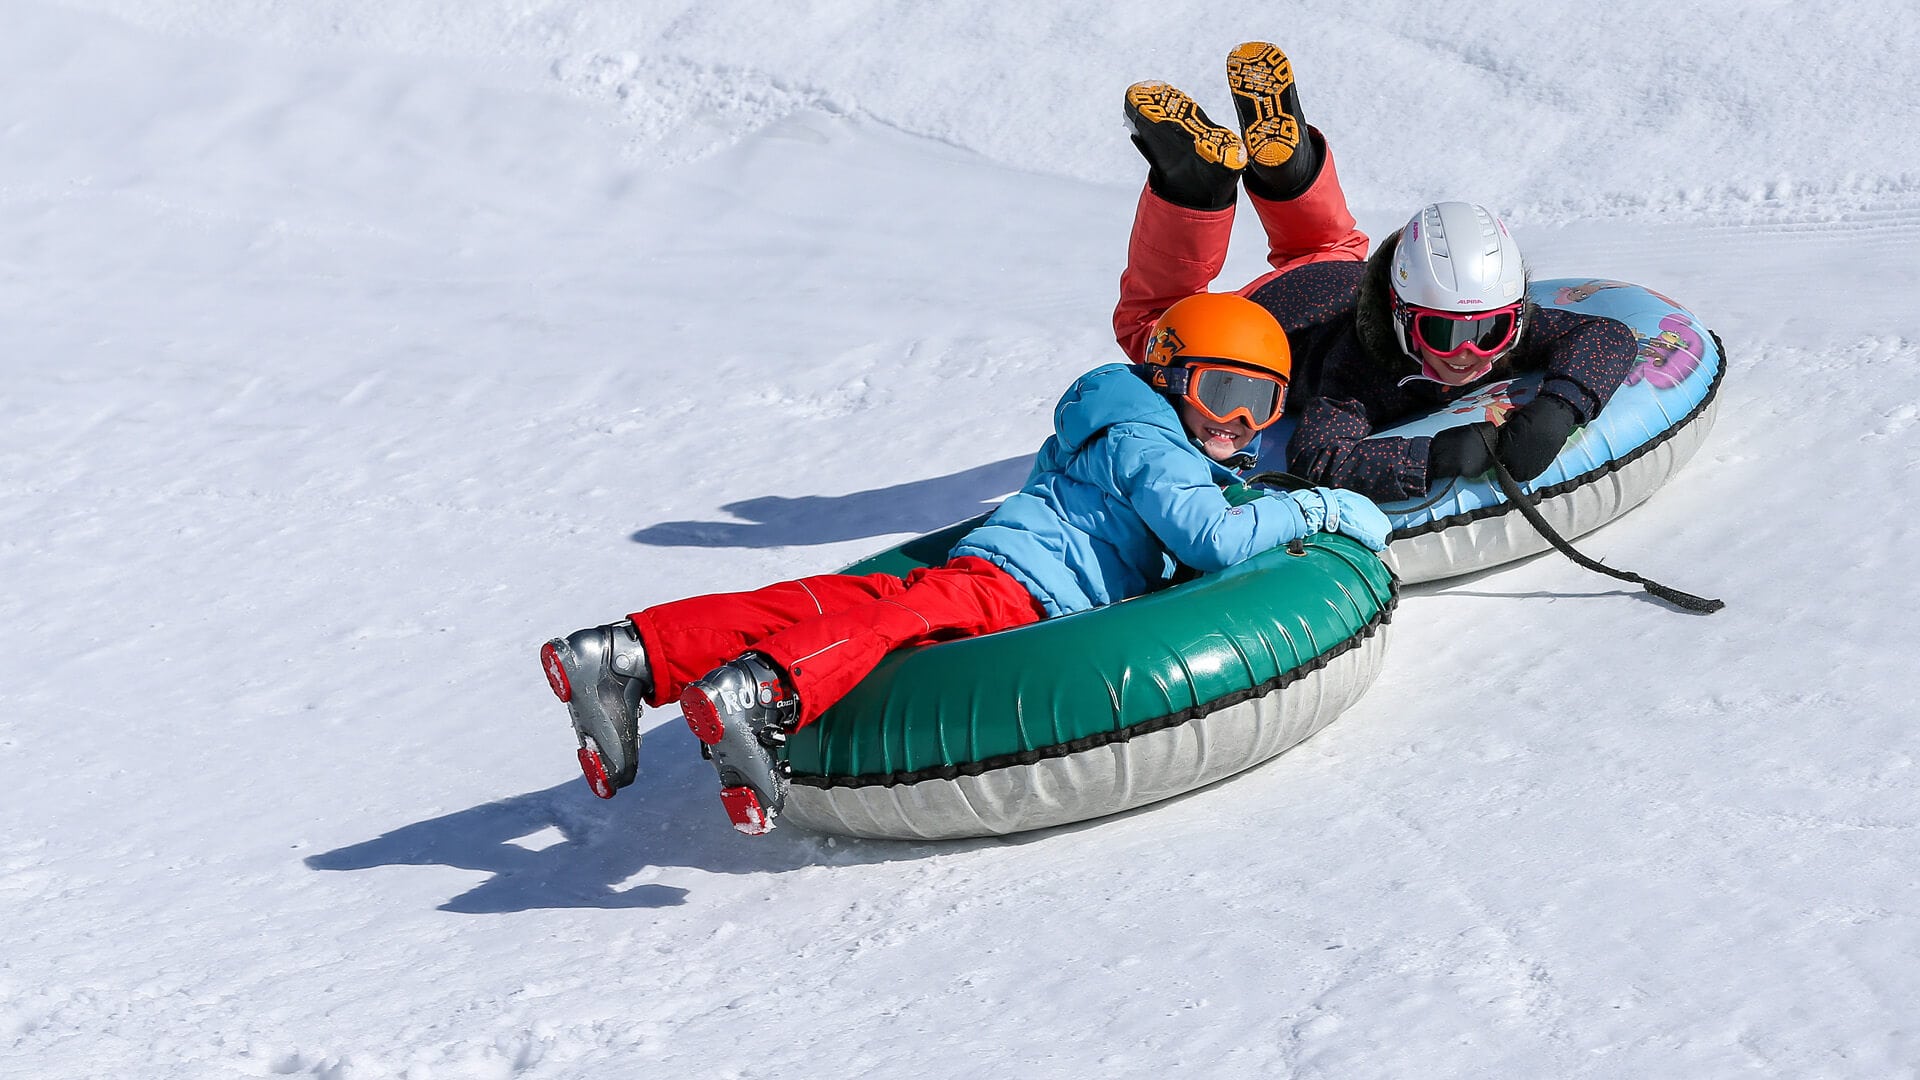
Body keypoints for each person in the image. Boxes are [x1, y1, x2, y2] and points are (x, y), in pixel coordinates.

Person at [539, 294, 1391, 836]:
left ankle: (625, 654)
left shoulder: (1115, 421)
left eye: (1260, 407)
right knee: (900, 622)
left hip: (1000, 561)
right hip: (1023, 589)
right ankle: (762, 691)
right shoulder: (1153, 442)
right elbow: (1210, 537)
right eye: (1222, 396)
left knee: (838, 601)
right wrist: (1319, 507)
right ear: (1170, 378)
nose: (1238, 426)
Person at [1116, 42, 1639, 503]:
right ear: (1400, 316)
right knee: (1153, 324)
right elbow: (1316, 458)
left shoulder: (1491, 331)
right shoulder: (1358, 377)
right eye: (1441, 330)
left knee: (1330, 246)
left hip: (1334, 277)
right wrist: (1435, 458)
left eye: (1490, 330)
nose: (1466, 353)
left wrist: (1559, 408)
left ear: (1514, 317)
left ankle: (1281, 162)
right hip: (1248, 326)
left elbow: (1607, 332)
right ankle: (1194, 182)